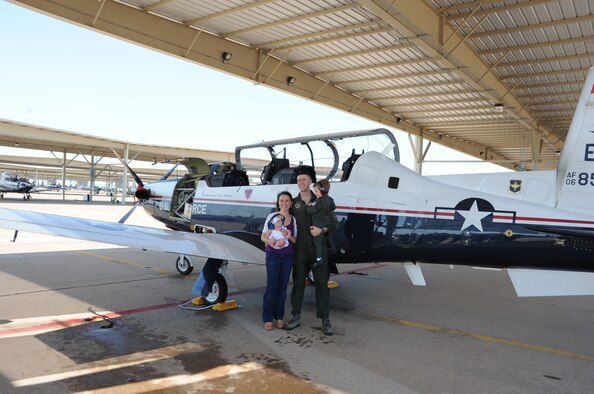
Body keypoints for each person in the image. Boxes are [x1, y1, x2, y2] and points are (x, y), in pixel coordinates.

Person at [285, 169, 337, 336]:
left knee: (322, 284)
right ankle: (296, 316)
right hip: (300, 248)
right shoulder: (294, 203)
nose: (301, 182)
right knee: (298, 282)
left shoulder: (322, 200)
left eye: (304, 179)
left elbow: (335, 223)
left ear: (310, 182)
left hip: (318, 248)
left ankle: (325, 320)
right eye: (299, 180)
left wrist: (322, 229)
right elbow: (283, 218)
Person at [260, 191, 296, 330]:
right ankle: (267, 317)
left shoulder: (293, 220)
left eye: (287, 201)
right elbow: (263, 236)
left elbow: (295, 240)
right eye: (281, 200)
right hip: (273, 255)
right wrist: (270, 241)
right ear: (278, 202)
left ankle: (279, 316)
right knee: (271, 286)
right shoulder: (271, 217)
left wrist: (288, 235)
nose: (284, 203)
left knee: (282, 287)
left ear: (291, 203)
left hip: (287, 256)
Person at [307, 179, 336, 268]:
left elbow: (312, 211)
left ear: (323, 190)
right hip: (327, 222)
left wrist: (309, 206)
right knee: (327, 235)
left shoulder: (318, 201)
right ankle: (333, 248)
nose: (315, 193)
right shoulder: (330, 199)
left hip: (318, 224)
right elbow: (333, 207)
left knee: (317, 242)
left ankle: (319, 259)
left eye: (316, 191)